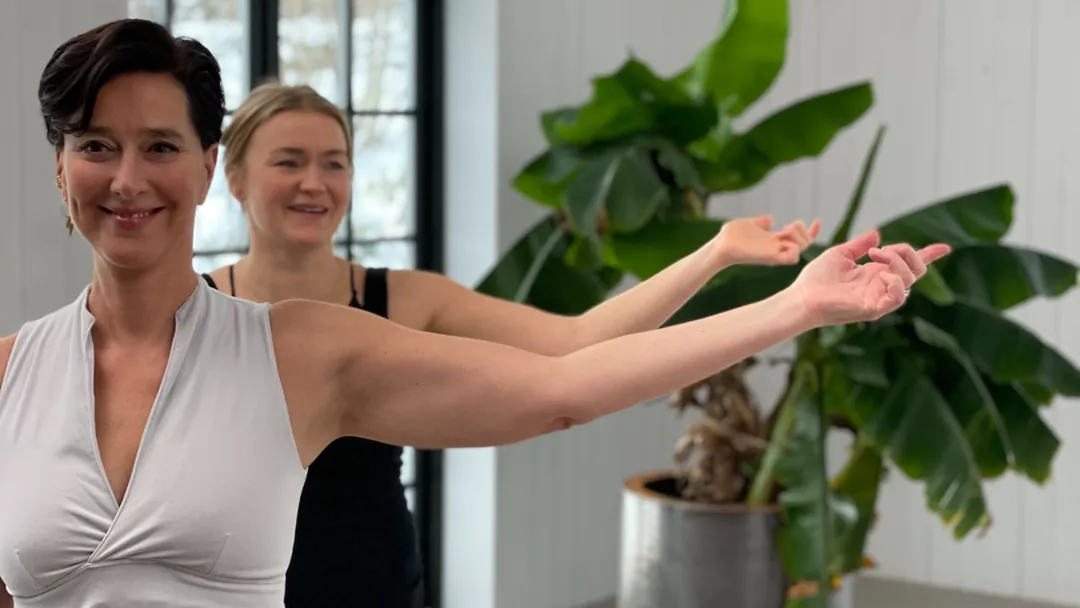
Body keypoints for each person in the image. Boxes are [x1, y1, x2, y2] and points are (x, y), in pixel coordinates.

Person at [0, 18, 949, 608]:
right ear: (60, 168)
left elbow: (564, 378)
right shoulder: (11, 372)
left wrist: (792, 305)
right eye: (96, 146)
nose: (127, 178)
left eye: (161, 147)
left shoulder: (307, 347)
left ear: (206, 169)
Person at [202, 81, 823, 607]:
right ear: (233, 177)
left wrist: (714, 254)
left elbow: (577, 341)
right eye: (289, 162)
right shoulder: (195, 310)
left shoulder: (409, 297)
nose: (315, 182)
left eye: (334, 163)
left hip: (375, 580)